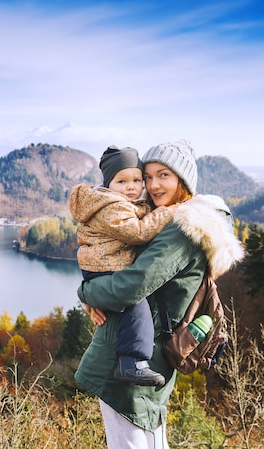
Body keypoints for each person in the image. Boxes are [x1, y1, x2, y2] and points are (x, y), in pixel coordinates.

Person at [75, 140, 245, 448]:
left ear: (182, 180)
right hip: (144, 363)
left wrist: (86, 290)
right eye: (147, 176)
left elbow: (131, 287)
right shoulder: (166, 220)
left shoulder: (181, 229)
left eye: (163, 175)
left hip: (127, 367)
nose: (152, 185)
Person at [69, 145, 176, 386]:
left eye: (137, 180)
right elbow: (137, 232)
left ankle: (131, 362)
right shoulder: (112, 206)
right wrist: (167, 212)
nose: (131, 186)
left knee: (130, 305)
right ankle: (132, 363)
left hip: (104, 266)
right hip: (105, 267)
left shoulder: (123, 201)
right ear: (108, 185)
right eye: (122, 181)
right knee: (133, 301)